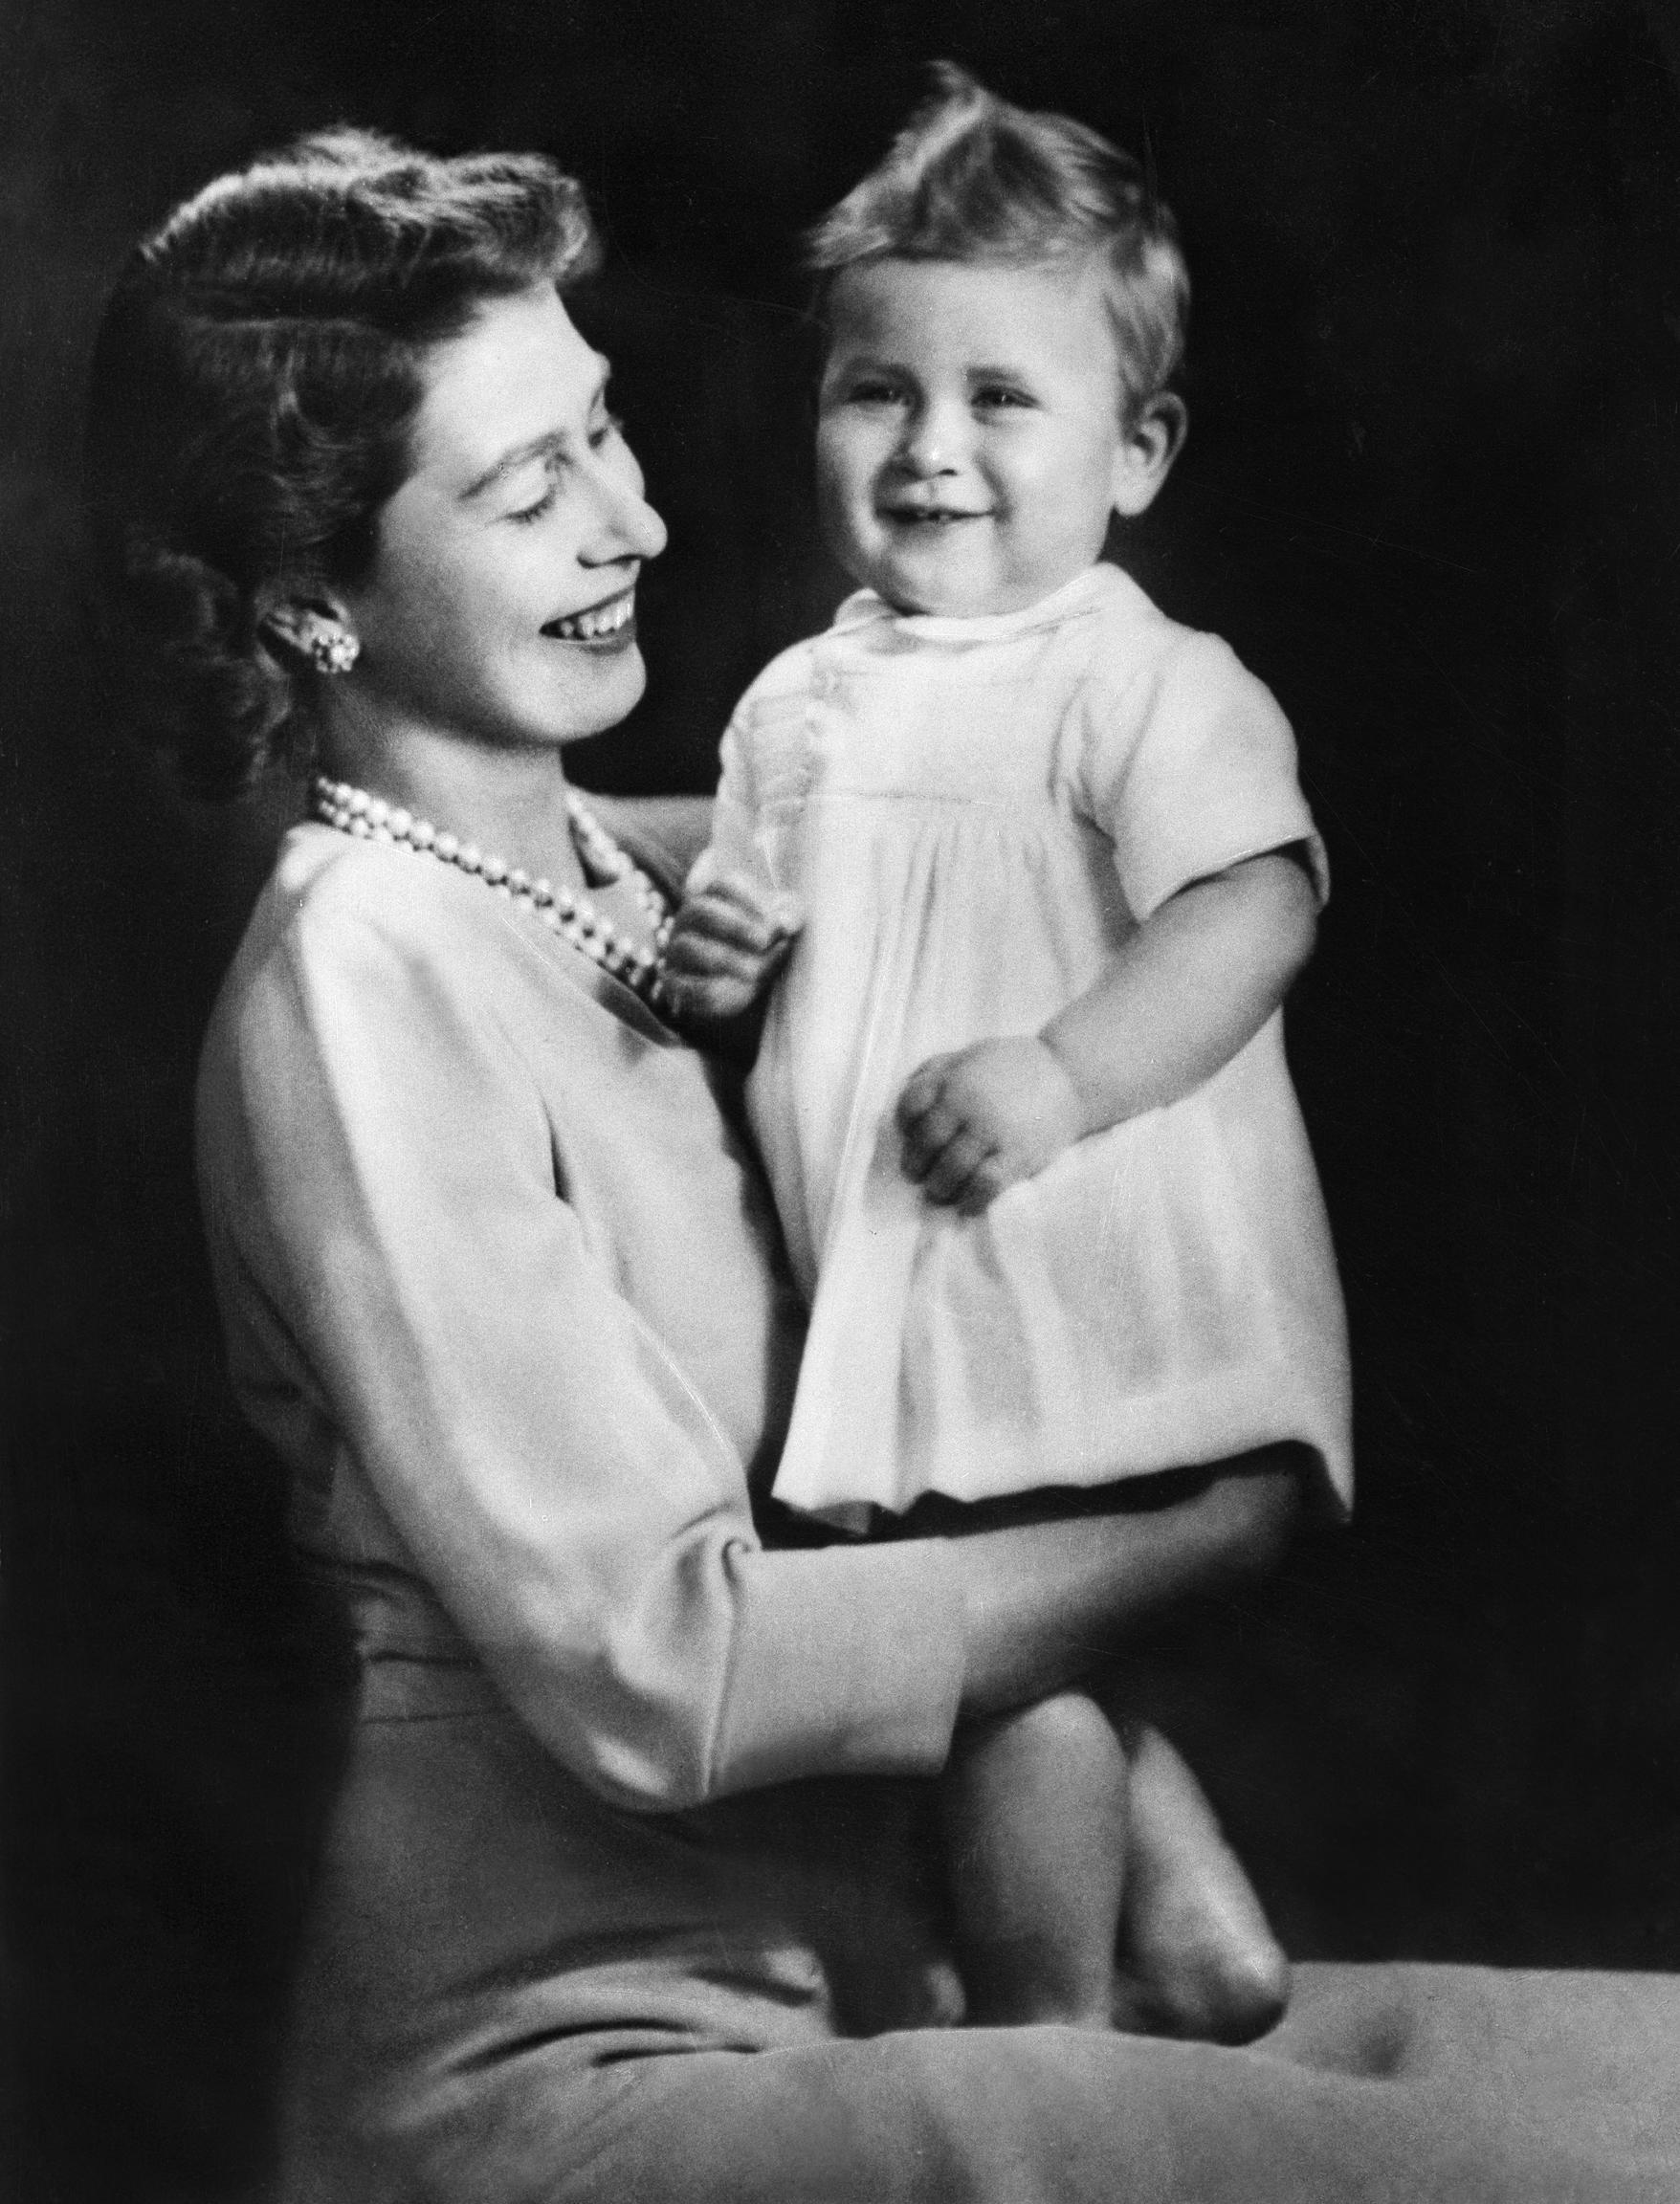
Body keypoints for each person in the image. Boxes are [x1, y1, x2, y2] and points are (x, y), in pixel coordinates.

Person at [82, 127, 1680, 2204]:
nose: (631, 520)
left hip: (903, 1968)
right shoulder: (361, 986)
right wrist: (1197, 1541)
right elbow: (663, 1672)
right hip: (573, 2077)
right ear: (310, 604)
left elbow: (1037, 847)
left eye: (607, 434)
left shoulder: (605, 863)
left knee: (1639, 2085)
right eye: (526, 485)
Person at [664, 66, 1351, 2035]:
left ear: (1134, 453)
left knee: (991, 1658)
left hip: (1079, 1269)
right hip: (915, 1293)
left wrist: (1061, 1071)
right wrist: (724, 953)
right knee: (1022, 1637)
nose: (929, 448)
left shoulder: (1131, 677)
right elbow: (761, 940)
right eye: (875, 389)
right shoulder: (794, 700)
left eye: (999, 398)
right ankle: (1197, 1942)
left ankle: (1045, 2039)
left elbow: (1253, 908)